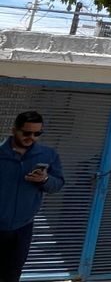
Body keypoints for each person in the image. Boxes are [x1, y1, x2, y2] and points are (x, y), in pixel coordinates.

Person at [0, 111, 65, 282]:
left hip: (22, 227)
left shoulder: (48, 155)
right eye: (27, 133)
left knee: (12, 273)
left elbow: (57, 184)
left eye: (37, 134)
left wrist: (44, 179)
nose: (32, 137)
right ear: (14, 130)